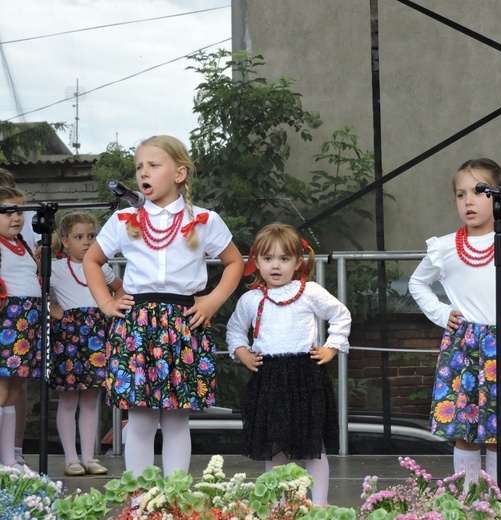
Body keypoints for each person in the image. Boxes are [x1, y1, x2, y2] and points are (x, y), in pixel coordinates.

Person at [83, 135, 244, 483]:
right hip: (138, 323)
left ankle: (174, 495)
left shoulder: (203, 219)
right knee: (139, 418)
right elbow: (92, 260)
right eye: (139, 167)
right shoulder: (125, 218)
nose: (144, 172)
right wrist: (107, 302)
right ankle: (140, 496)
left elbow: (234, 263)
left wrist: (212, 300)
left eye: (154, 165)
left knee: (176, 418)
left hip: (183, 321)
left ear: (179, 173)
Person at [408, 158, 501, 499]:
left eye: (478, 192)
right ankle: (466, 504)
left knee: (500, 432)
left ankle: (498, 504)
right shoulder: (446, 247)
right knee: (463, 429)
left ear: (499, 196)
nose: (467, 201)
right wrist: (442, 313)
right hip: (463, 344)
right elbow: (417, 283)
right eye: (460, 194)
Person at [226, 222, 351, 507]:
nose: (276, 266)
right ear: (256, 261)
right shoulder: (251, 299)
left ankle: (319, 505)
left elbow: (340, 314)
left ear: (298, 262)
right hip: (269, 379)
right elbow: (234, 330)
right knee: (275, 448)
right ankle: (280, 505)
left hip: (305, 377)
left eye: (284, 259)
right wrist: (243, 353)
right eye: (268, 258)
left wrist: (331, 348)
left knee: (314, 448)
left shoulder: (310, 292)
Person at [50, 211, 124, 476]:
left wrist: (113, 306)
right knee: (69, 400)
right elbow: (35, 290)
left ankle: (89, 457)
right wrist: (54, 311)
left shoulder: (101, 268)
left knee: (92, 399)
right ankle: (71, 458)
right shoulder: (55, 267)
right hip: (68, 337)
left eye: (91, 236)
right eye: (78, 237)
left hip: (96, 334)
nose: (86, 241)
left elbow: (121, 289)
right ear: (65, 241)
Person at [0, 169, 41, 467]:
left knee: (15, 388)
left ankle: (9, 457)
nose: (16, 218)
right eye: (7, 212)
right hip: (8, 320)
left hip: (27, 321)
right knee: (2, 388)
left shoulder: (22, 244)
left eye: (19, 211)